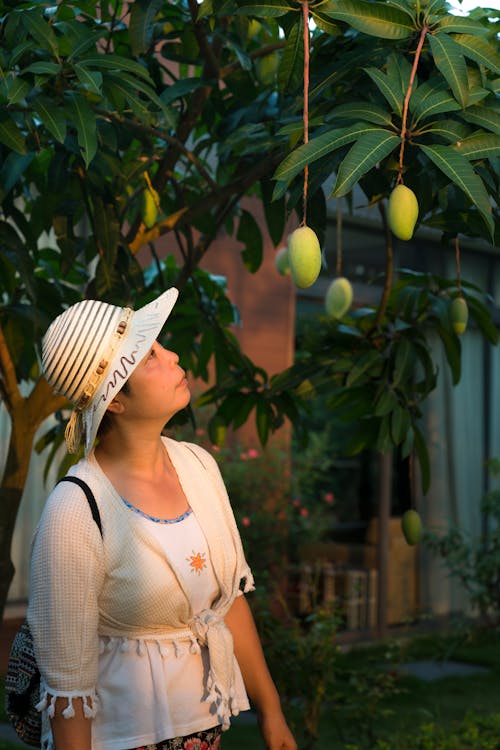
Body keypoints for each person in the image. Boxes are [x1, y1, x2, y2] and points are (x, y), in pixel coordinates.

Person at [28, 288, 297, 750]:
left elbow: (227, 599)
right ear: (115, 401)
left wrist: (272, 715)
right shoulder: (75, 511)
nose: (173, 356)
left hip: (203, 730)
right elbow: (67, 691)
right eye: (150, 356)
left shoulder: (198, 467)